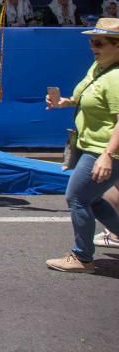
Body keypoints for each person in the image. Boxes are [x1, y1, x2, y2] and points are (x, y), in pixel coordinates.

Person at [44, 18, 119, 273]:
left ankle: (82, 257)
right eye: (91, 41)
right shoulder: (98, 68)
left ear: (117, 46)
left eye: (99, 42)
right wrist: (65, 102)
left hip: (104, 149)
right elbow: (83, 96)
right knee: (92, 198)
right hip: (92, 146)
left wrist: (108, 155)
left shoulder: (116, 77)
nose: (93, 47)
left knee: (76, 197)